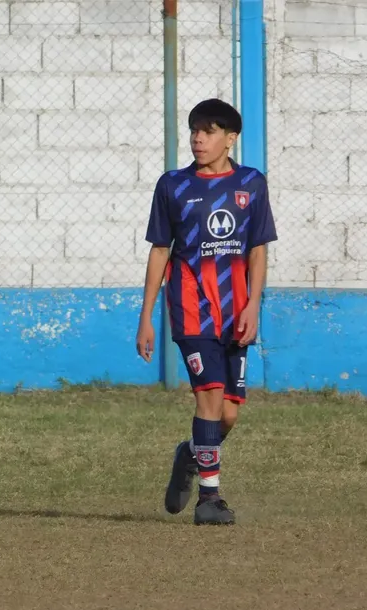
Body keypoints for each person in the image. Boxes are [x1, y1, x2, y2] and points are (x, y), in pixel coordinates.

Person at [135, 98, 277, 526]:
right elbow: (161, 250)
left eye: (210, 131)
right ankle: (209, 499)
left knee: (228, 413)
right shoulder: (173, 186)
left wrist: (253, 304)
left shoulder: (252, 184)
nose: (199, 138)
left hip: (237, 311)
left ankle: (191, 454)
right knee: (209, 396)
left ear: (230, 138)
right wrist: (146, 317)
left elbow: (257, 249)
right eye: (195, 129)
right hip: (191, 309)